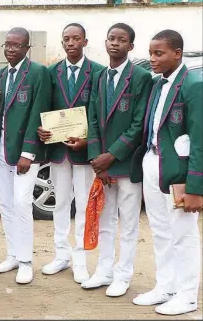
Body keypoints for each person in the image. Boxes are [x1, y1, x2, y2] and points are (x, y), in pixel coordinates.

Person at [129, 29, 202, 315]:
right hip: (151, 160)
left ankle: (187, 295)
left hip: (177, 168)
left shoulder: (193, 85)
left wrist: (196, 186)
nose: (153, 59)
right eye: (151, 53)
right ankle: (166, 286)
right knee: (159, 230)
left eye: (159, 54)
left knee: (183, 233)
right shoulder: (158, 84)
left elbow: (199, 139)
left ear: (177, 53)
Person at [82, 22, 152, 297]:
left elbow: (139, 124)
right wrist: (97, 161)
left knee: (129, 223)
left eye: (121, 40)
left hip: (125, 163)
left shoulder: (141, 77)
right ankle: (104, 270)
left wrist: (111, 156)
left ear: (130, 46)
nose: (114, 43)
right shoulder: (99, 76)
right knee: (106, 220)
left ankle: (123, 275)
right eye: (111, 38)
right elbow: (94, 119)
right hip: (103, 166)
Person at [37, 23, 104, 283]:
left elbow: (99, 112)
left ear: (85, 42)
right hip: (57, 150)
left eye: (76, 38)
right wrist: (41, 130)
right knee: (60, 202)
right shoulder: (51, 72)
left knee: (84, 205)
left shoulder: (97, 72)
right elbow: (43, 106)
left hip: (84, 152)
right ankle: (61, 255)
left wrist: (89, 141)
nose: (71, 42)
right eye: (66, 39)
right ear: (62, 42)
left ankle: (80, 260)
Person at [0, 27, 52, 285]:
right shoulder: (0, 76)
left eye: (16, 45)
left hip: (25, 152)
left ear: (27, 48)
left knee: (22, 202)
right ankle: (13, 253)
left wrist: (28, 152)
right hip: (1, 147)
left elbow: (39, 110)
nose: (10, 49)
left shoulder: (38, 73)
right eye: (7, 45)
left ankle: (26, 261)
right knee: (5, 202)